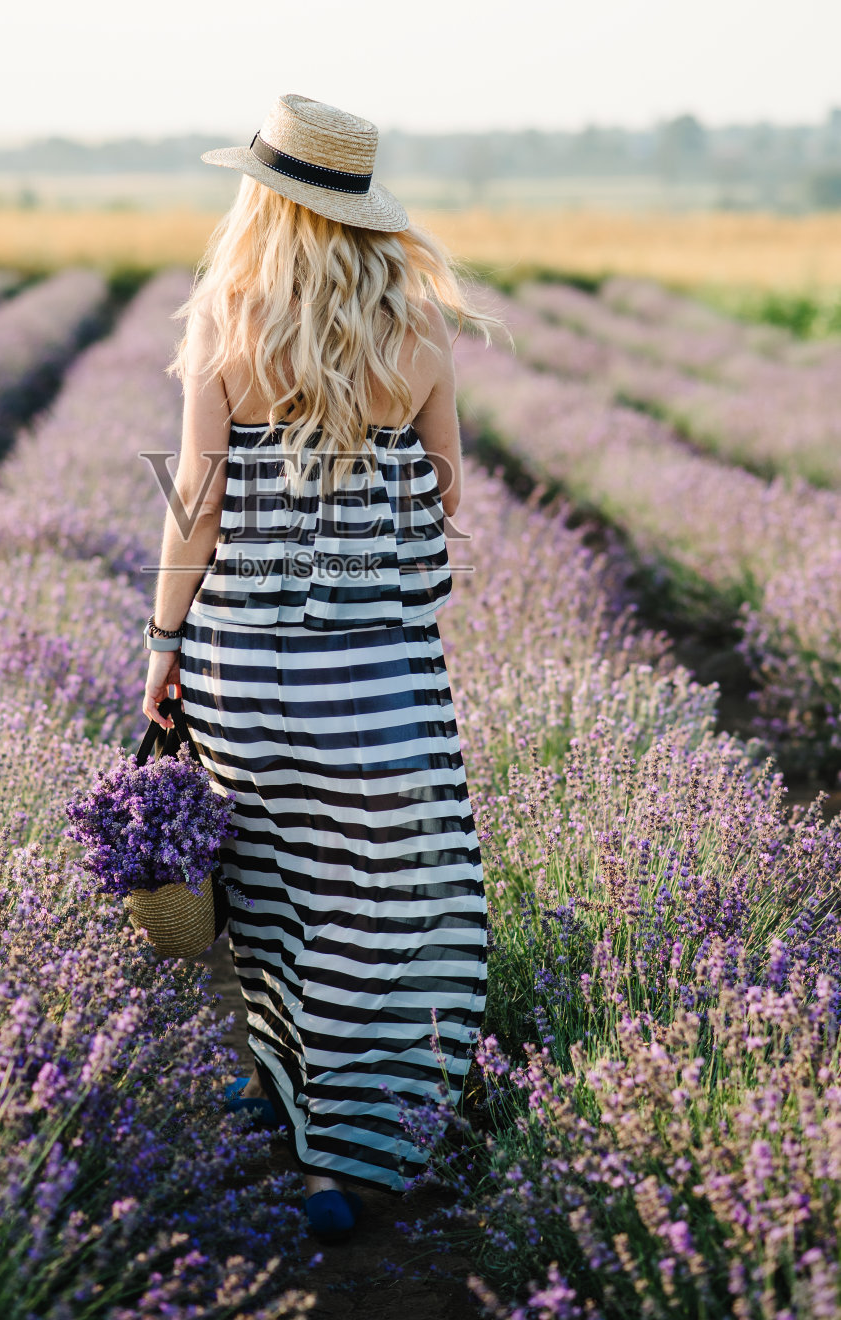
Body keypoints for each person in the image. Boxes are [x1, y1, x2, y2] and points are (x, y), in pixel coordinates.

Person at [142, 94, 490, 1241]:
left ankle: (279, 1095)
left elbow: (192, 514)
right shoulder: (423, 330)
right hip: (379, 676)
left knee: (272, 892)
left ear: (264, 202)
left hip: (243, 671)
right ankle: (347, 1158)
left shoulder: (224, 323)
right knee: (392, 910)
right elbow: (443, 491)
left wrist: (162, 646)